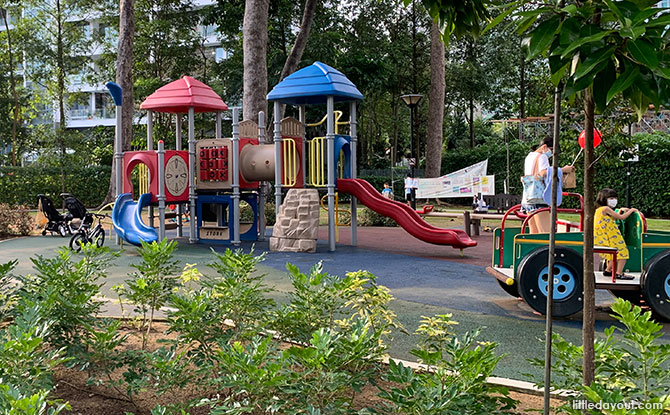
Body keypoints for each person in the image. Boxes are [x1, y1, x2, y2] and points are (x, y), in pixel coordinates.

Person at [522, 136, 574, 233]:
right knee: (546, 234)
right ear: (544, 147)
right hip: (539, 199)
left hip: (528, 198)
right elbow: (543, 173)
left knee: (534, 234)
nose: (552, 153)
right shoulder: (542, 156)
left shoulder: (529, 156)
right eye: (552, 150)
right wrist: (563, 170)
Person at [594, 188, 638, 280]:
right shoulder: (605, 208)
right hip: (612, 236)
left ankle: (608, 270)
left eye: (614, 198)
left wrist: (620, 210)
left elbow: (613, 218)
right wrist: (632, 210)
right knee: (623, 253)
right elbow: (621, 218)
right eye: (611, 198)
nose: (614, 200)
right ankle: (619, 273)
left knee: (613, 254)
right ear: (603, 199)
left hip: (608, 236)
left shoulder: (599, 210)